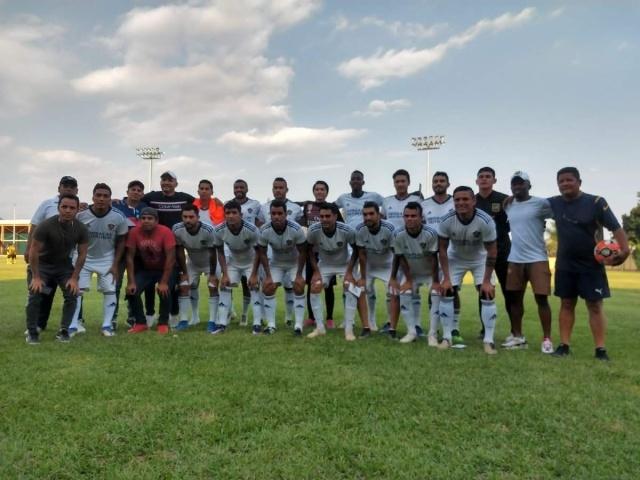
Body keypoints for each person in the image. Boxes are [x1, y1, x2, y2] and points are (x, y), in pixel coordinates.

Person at [549, 167, 630, 360]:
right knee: (566, 303)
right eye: (561, 181)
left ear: (579, 182)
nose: (565, 184)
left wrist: (625, 250)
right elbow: (529, 203)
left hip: (591, 264)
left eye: (569, 180)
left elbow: (615, 227)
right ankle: (564, 346)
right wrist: (511, 199)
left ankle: (600, 349)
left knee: (594, 305)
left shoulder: (595, 202)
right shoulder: (553, 203)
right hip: (565, 264)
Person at [438, 186, 499, 354]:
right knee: (446, 292)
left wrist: (486, 281)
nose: (461, 203)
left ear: (474, 201)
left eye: (465, 199)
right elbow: (442, 250)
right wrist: (446, 278)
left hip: (480, 259)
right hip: (455, 258)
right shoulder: (446, 220)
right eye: (457, 199)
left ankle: (488, 340)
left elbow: (492, 251)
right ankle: (447, 337)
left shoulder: (485, 221)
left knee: (487, 293)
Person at [25, 194, 88, 344]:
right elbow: (34, 251)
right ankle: (32, 332)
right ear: (58, 208)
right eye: (64, 207)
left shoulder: (81, 228)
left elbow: (82, 254)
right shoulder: (45, 225)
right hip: (42, 266)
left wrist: (74, 278)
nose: (68, 210)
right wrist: (36, 277)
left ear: (77, 209)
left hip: (64, 267)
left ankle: (64, 330)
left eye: (72, 208)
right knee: (35, 293)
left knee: (72, 293)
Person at [503, 171, 554, 353]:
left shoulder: (541, 203)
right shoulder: (508, 205)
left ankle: (547, 339)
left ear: (528, 185)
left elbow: (557, 215)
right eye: (514, 184)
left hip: (537, 258)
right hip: (515, 258)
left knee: (541, 299)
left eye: (521, 183)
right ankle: (518, 336)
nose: (517, 187)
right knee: (515, 300)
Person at [68, 183, 128, 337]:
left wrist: (115, 264)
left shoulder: (118, 217)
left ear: (110, 198)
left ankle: (107, 326)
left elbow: (122, 241)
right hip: (84, 258)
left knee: (109, 290)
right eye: (98, 195)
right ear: (92, 197)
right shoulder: (80, 216)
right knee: (77, 291)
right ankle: (73, 325)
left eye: (105, 196)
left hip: (107, 259)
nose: (101, 199)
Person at [306, 202, 370, 341]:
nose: (324, 219)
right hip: (325, 265)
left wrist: (349, 272)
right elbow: (309, 250)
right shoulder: (313, 230)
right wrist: (316, 271)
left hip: (345, 264)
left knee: (350, 287)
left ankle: (349, 330)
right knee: (315, 286)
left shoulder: (347, 230)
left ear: (335, 216)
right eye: (321, 216)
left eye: (328, 216)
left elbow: (357, 251)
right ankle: (320, 328)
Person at [141, 171, 195, 326]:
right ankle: (150, 314)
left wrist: (216, 202)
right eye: (163, 180)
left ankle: (174, 314)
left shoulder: (185, 198)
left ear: (176, 183)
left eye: (169, 180)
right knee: (150, 283)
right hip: (154, 247)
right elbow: (135, 200)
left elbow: (201, 205)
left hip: (176, 246)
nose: (166, 183)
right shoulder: (152, 197)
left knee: (174, 284)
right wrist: (120, 201)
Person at [389, 202, 439, 343]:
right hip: (412, 273)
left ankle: (432, 334)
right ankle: (411, 332)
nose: (409, 219)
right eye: (406, 216)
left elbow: (434, 258)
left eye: (413, 216)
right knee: (404, 293)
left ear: (421, 217)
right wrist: (408, 280)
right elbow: (400, 258)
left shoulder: (430, 233)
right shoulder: (398, 234)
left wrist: (435, 282)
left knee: (436, 294)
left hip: (430, 273)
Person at [383, 169, 424, 336]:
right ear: (394, 183)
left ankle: (417, 325)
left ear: (408, 182)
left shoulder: (417, 199)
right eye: (397, 181)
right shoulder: (386, 201)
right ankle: (390, 323)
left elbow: (422, 220)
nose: (400, 184)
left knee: (413, 289)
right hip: (392, 251)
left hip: (412, 249)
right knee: (391, 289)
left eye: (403, 181)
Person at [257, 177, 303, 327]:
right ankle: (269, 322)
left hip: (292, 254)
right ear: (272, 189)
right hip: (272, 253)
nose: (278, 190)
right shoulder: (264, 207)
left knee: (292, 287)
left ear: (286, 189)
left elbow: (301, 231)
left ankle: (291, 319)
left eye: (281, 187)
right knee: (268, 286)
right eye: (275, 187)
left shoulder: (295, 208)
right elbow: (259, 226)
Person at [475, 167, 514, 338]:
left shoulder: (504, 199)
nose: (484, 179)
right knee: (484, 290)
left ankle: (515, 330)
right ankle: (485, 329)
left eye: (488, 177)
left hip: (503, 250)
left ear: (494, 180)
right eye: (481, 177)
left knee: (509, 291)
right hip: (482, 253)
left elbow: (512, 225)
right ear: (476, 181)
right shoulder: (472, 200)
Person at [212, 200, 261, 335]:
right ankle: (222, 324)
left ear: (241, 214)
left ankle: (257, 324)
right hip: (233, 263)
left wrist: (254, 274)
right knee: (225, 287)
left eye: (234, 213)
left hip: (251, 262)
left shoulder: (251, 229)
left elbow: (259, 252)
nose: (231, 216)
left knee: (255, 289)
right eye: (228, 213)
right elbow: (220, 252)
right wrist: (225, 273)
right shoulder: (219, 230)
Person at [125, 207, 177, 334]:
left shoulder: (165, 232)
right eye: (143, 218)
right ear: (139, 220)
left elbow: (171, 258)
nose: (146, 221)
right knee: (132, 291)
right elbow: (129, 257)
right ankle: (141, 323)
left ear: (156, 220)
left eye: (150, 218)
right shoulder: (134, 232)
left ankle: (163, 322)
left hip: (165, 269)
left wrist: (164, 282)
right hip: (147, 269)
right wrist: (131, 281)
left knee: (164, 290)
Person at [421, 171, 457, 345]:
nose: (438, 183)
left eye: (442, 180)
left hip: (453, 254)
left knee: (451, 291)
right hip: (432, 254)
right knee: (434, 291)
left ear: (448, 184)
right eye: (435, 181)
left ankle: (453, 328)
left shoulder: (455, 202)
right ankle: (433, 330)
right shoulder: (424, 204)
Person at [173, 204, 220, 332]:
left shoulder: (209, 230)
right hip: (192, 262)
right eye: (185, 217)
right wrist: (184, 272)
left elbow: (212, 253)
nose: (188, 220)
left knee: (212, 286)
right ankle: (185, 320)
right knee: (184, 285)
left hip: (210, 263)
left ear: (198, 217)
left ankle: (212, 321)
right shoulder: (177, 229)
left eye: (191, 217)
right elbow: (180, 252)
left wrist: (212, 274)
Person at [300, 180, 340, 329]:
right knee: (311, 285)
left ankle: (329, 318)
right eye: (316, 189)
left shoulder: (332, 208)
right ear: (314, 192)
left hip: (328, 254)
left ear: (327, 192)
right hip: (312, 253)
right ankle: (311, 317)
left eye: (322, 189)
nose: (319, 192)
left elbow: (340, 227)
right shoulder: (308, 206)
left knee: (328, 286)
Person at [112, 180, 150, 328]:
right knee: (115, 285)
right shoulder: (116, 205)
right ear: (127, 191)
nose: (136, 192)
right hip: (120, 252)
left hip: (138, 254)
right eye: (133, 189)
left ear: (142, 194)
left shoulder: (145, 208)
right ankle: (112, 318)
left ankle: (133, 316)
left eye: (139, 190)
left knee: (135, 285)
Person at [355, 201, 396, 333]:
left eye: (371, 214)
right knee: (366, 289)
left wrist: (395, 276)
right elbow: (361, 254)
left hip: (388, 265)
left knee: (391, 292)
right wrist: (362, 276)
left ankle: (390, 323)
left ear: (379, 215)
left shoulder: (390, 228)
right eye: (365, 214)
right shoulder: (360, 229)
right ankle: (370, 322)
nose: (368, 217)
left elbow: (396, 253)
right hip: (370, 265)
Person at [230, 179, 264, 326]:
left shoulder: (255, 204)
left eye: (241, 187)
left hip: (251, 250)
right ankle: (230, 312)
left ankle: (247, 315)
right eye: (236, 187)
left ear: (247, 188)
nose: (239, 189)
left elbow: (260, 222)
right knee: (229, 284)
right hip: (234, 250)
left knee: (251, 284)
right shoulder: (228, 203)